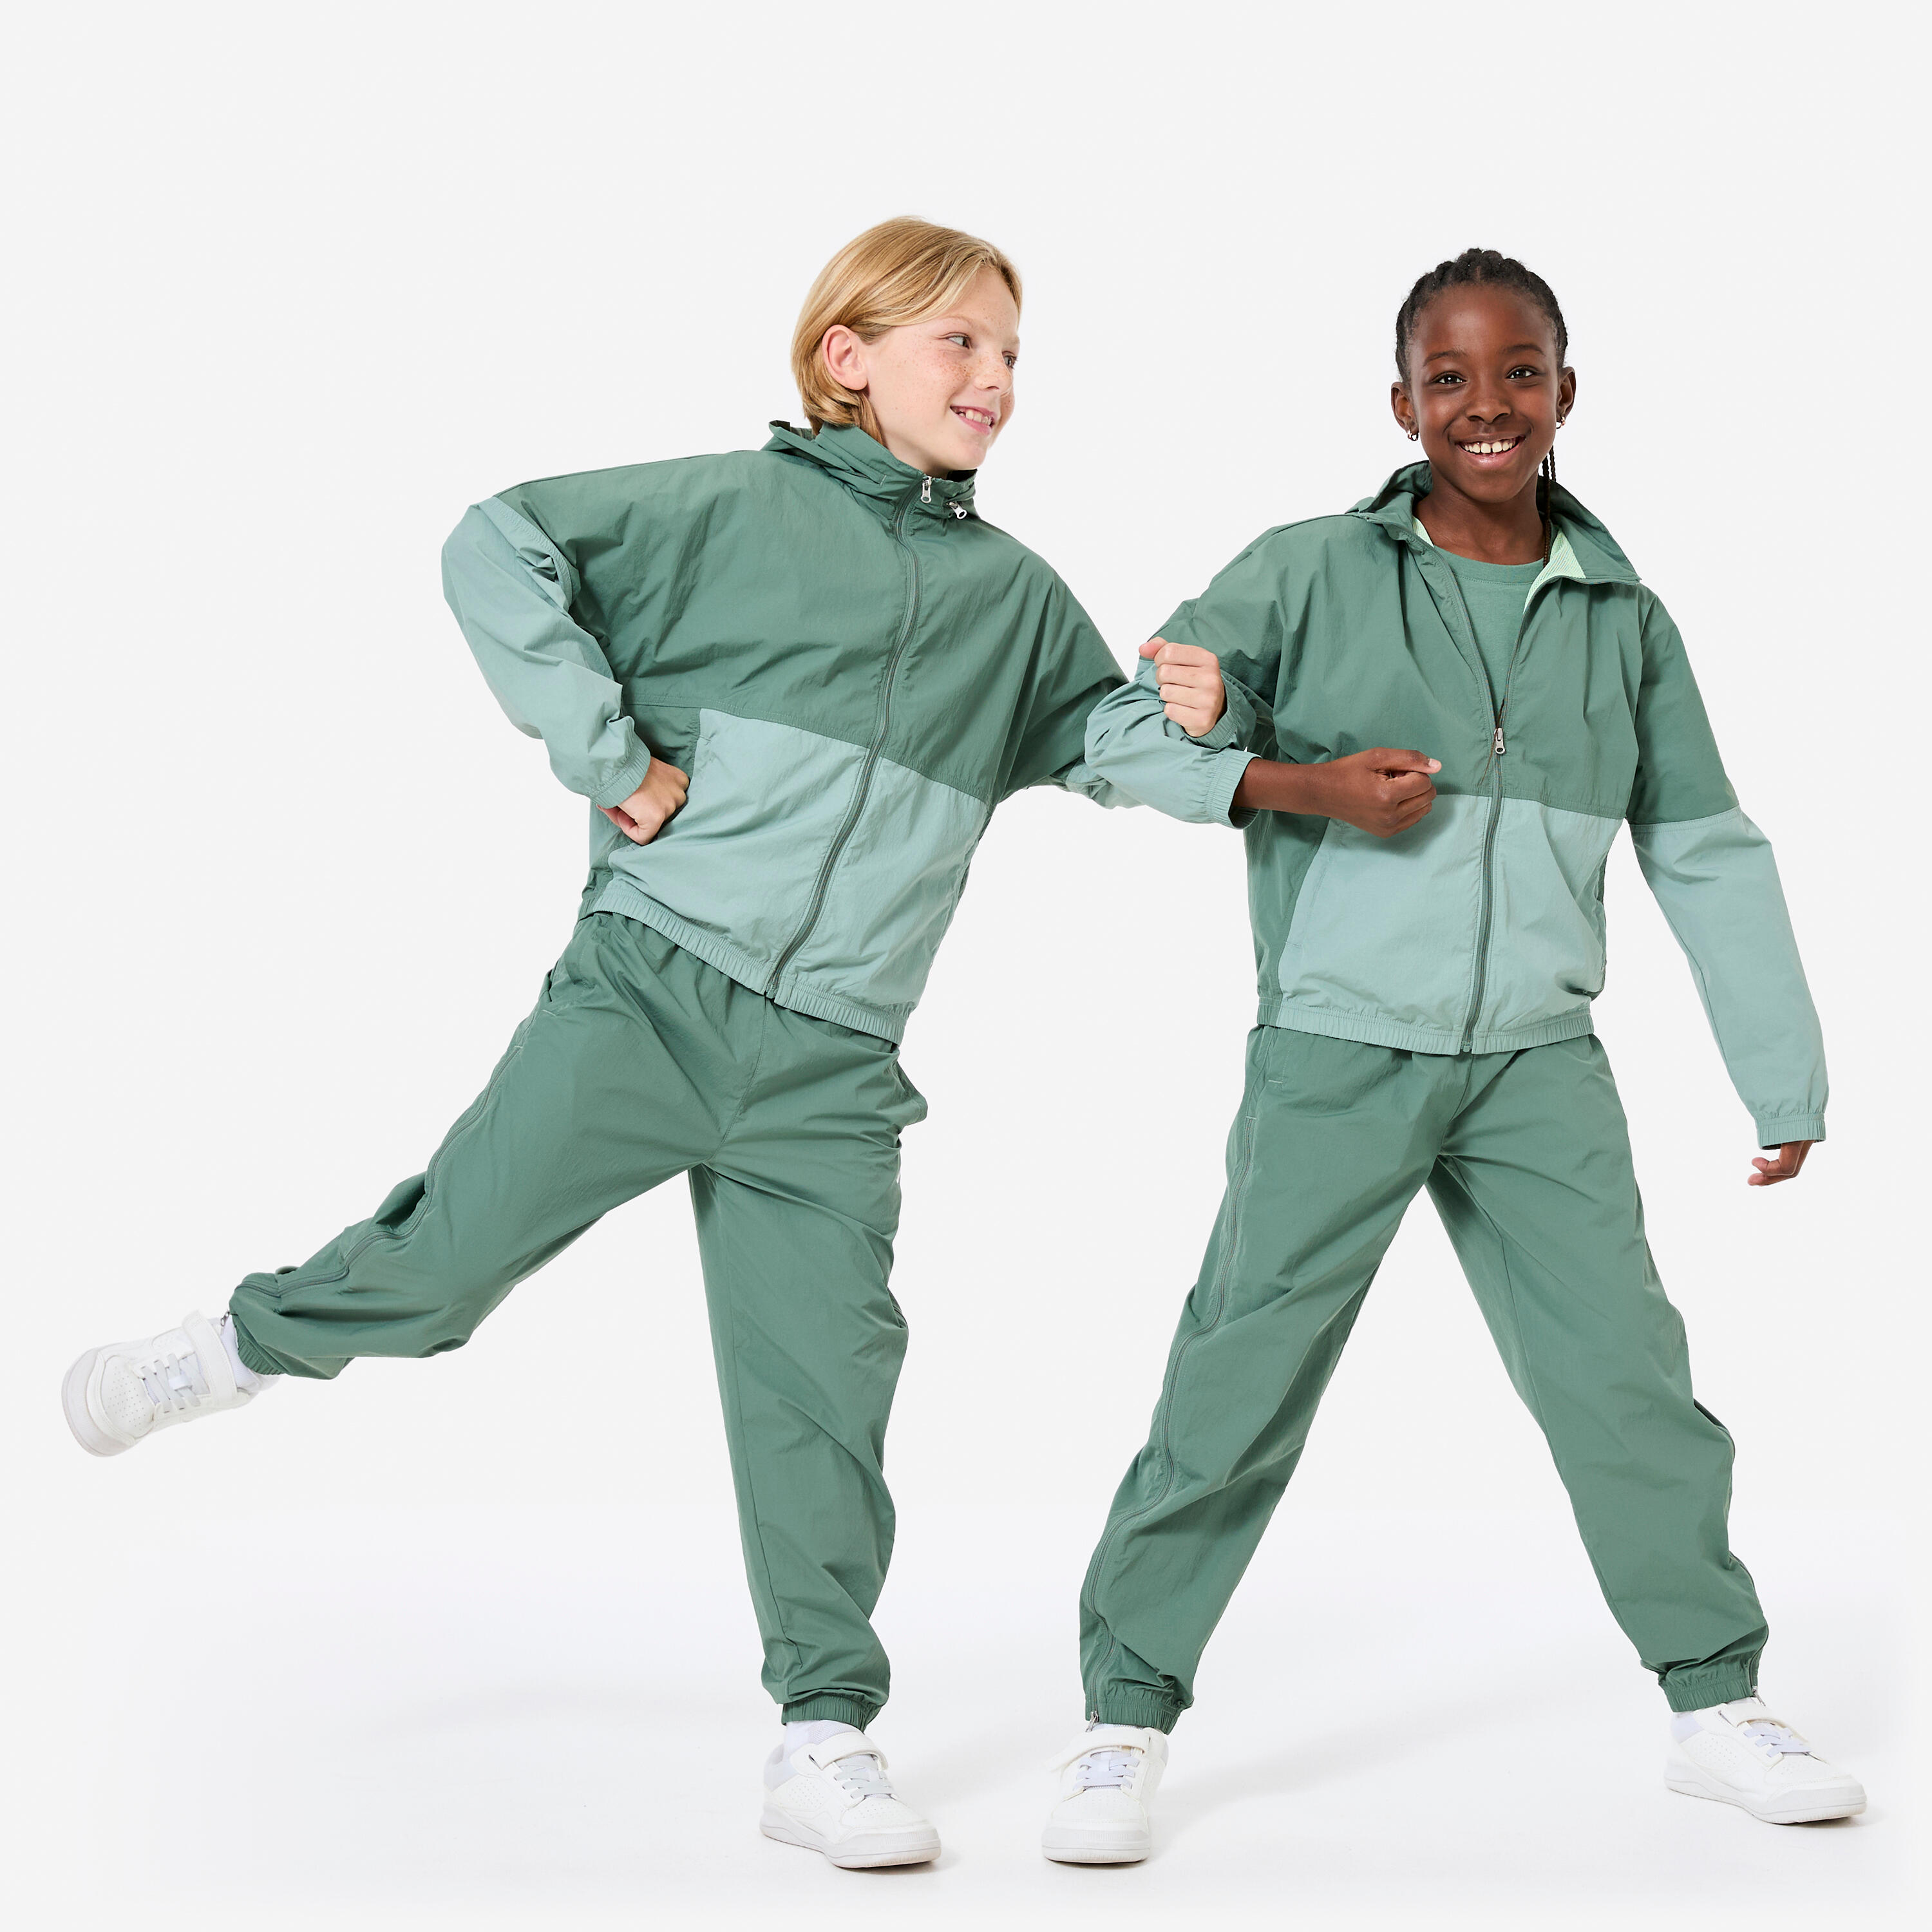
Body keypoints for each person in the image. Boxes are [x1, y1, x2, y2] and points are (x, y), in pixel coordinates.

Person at [61, 217, 1235, 1870]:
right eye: (960, 343)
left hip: (835, 1065)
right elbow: (496, 542)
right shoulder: (725, 510)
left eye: (1013, 355)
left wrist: (1200, 717)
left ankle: (822, 1738)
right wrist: (607, 755)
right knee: (443, 1271)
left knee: (824, 1393)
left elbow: (1118, 753)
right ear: (849, 357)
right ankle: (235, 1347)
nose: (995, 380)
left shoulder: (1018, 601)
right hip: (651, 993)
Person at [1039, 248, 1864, 1864]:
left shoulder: (1624, 615)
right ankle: (1123, 1715)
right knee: (1239, 1377)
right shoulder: (1305, 571)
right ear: (1402, 403)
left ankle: (1716, 1701)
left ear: (1566, 391)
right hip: (1338, 1049)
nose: (1488, 405)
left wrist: (1783, 1076)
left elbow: (1704, 845)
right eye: (1451, 378)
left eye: (1519, 372)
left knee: (1628, 1383)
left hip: (1540, 1063)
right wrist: (1282, 774)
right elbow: (1116, 739)